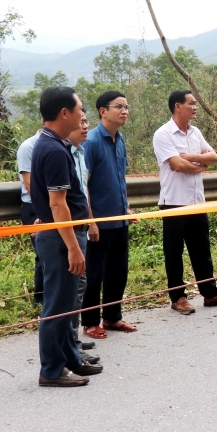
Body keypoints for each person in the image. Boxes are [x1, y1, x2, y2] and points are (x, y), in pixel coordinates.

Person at [30, 86, 102, 387]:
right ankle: (51, 370)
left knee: (69, 303)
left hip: (63, 235)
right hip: (61, 239)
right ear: (64, 113)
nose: (82, 115)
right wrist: (73, 247)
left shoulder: (51, 144)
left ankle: (71, 358)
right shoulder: (54, 150)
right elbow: (57, 204)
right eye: (79, 109)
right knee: (58, 306)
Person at [152, 90, 217, 315]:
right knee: (174, 252)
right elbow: (177, 166)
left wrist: (190, 158)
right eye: (191, 103)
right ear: (178, 106)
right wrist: (196, 163)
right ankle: (178, 297)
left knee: (201, 249)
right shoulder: (163, 134)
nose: (195, 106)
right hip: (173, 201)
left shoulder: (195, 132)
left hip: (196, 200)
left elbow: (214, 157)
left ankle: (210, 293)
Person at [81, 91, 138, 339]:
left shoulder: (120, 139)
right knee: (95, 273)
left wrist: (126, 208)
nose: (124, 111)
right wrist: (91, 220)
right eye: (119, 107)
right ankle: (90, 321)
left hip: (119, 219)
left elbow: (118, 178)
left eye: (126, 107)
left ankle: (112, 317)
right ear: (103, 111)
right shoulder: (91, 141)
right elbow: (85, 184)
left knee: (118, 270)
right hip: (99, 222)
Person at [65, 111, 98, 365]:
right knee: (67, 292)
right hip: (66, 232)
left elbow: (82, 191)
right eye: (81, 121)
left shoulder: (80, 152)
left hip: (80, 227)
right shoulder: (54, 150)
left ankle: (73, 343)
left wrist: (90, 220)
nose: (85, 126)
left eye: (87, 122)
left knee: (79, 287)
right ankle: (68, 350)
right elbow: (56, 202)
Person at [17, 128, 44, 305]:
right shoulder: (28, 147)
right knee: (44, 255)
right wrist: (46, 212)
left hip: (54, 205)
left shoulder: (64, 144)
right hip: (35, 207)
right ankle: (41, 299)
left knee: (55, 254)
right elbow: (30, 185)